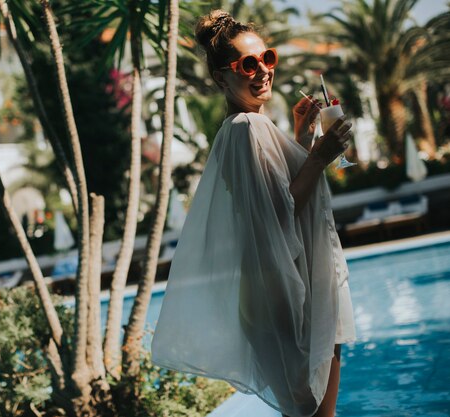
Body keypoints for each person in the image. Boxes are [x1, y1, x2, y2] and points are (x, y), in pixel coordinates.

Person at [150, 10, 357, 417]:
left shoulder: (240, 128)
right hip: (280, 295)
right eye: (248, 64)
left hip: (278, 289)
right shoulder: (245, 129)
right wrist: (319, 155)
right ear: (221, 77)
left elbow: (274, 195)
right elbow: (280, 215)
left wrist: (300, 138)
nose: (262, 71)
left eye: (267, 58)